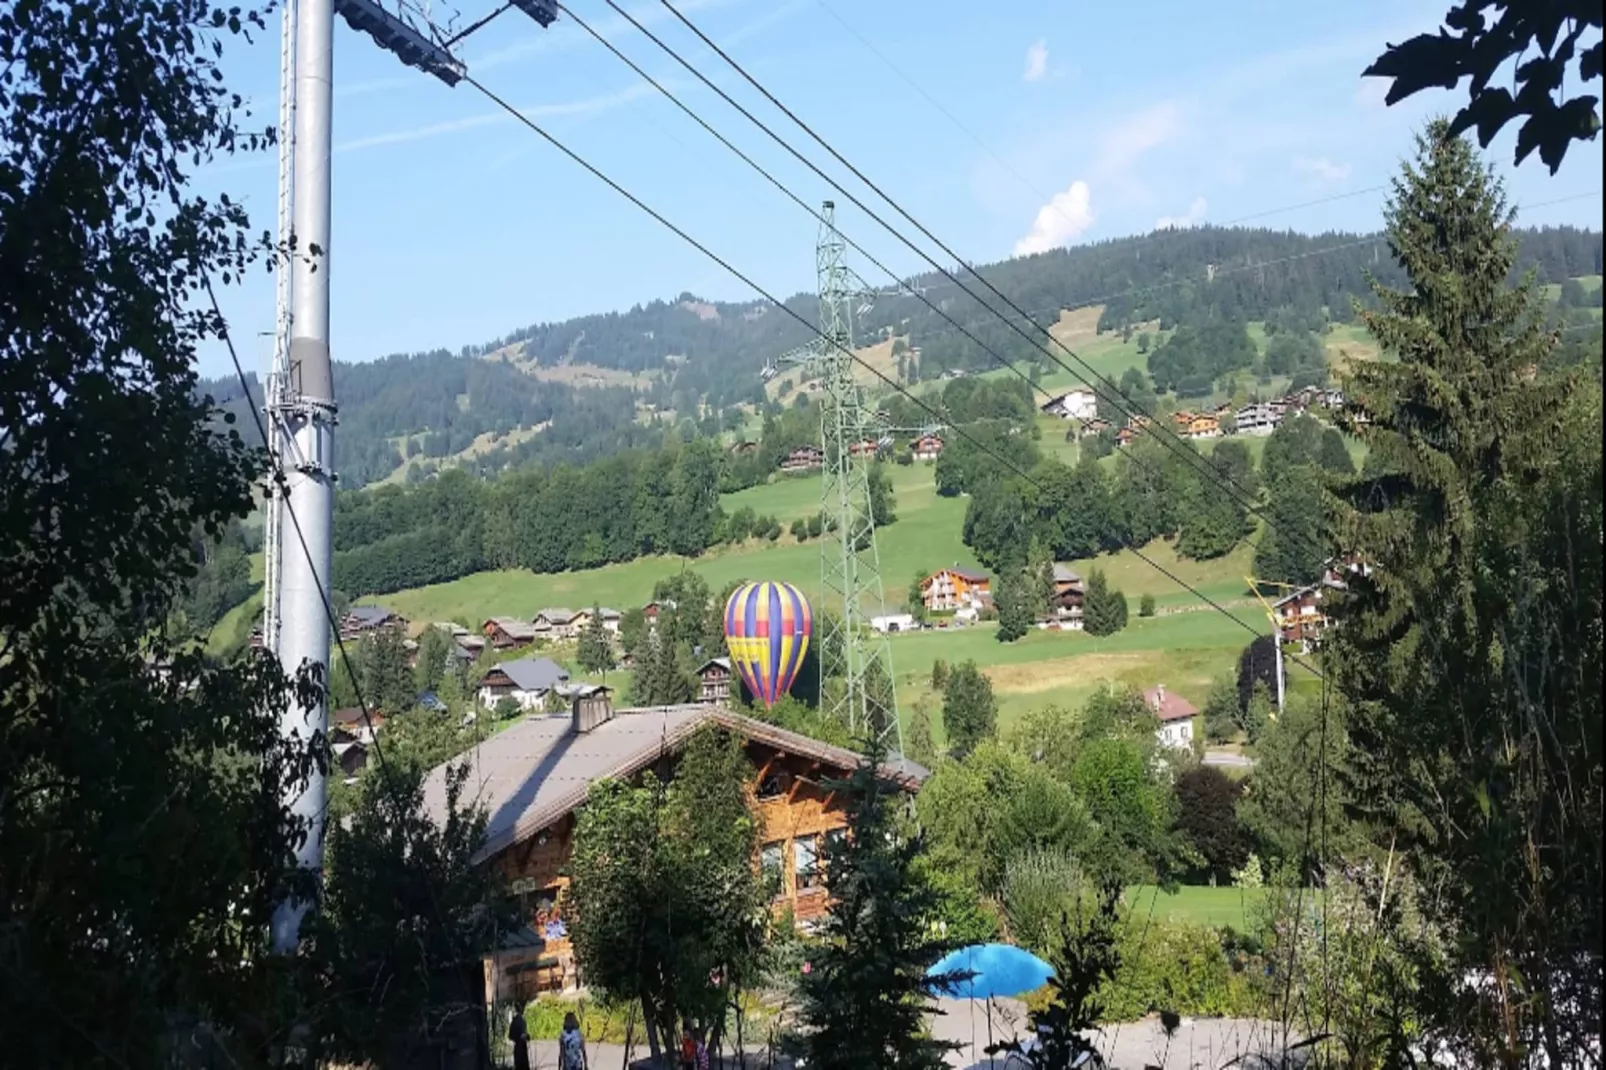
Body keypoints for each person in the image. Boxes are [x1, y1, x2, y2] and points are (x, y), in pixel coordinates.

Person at [508, 1003, 531, 1070]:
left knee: (517, 1065)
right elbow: (522, 1035)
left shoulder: (514, 1021)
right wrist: (527, 1037)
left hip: (516, 1047)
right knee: (523, 1065)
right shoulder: (522, 1020)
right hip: (522, 1047)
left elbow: (510, 1036)